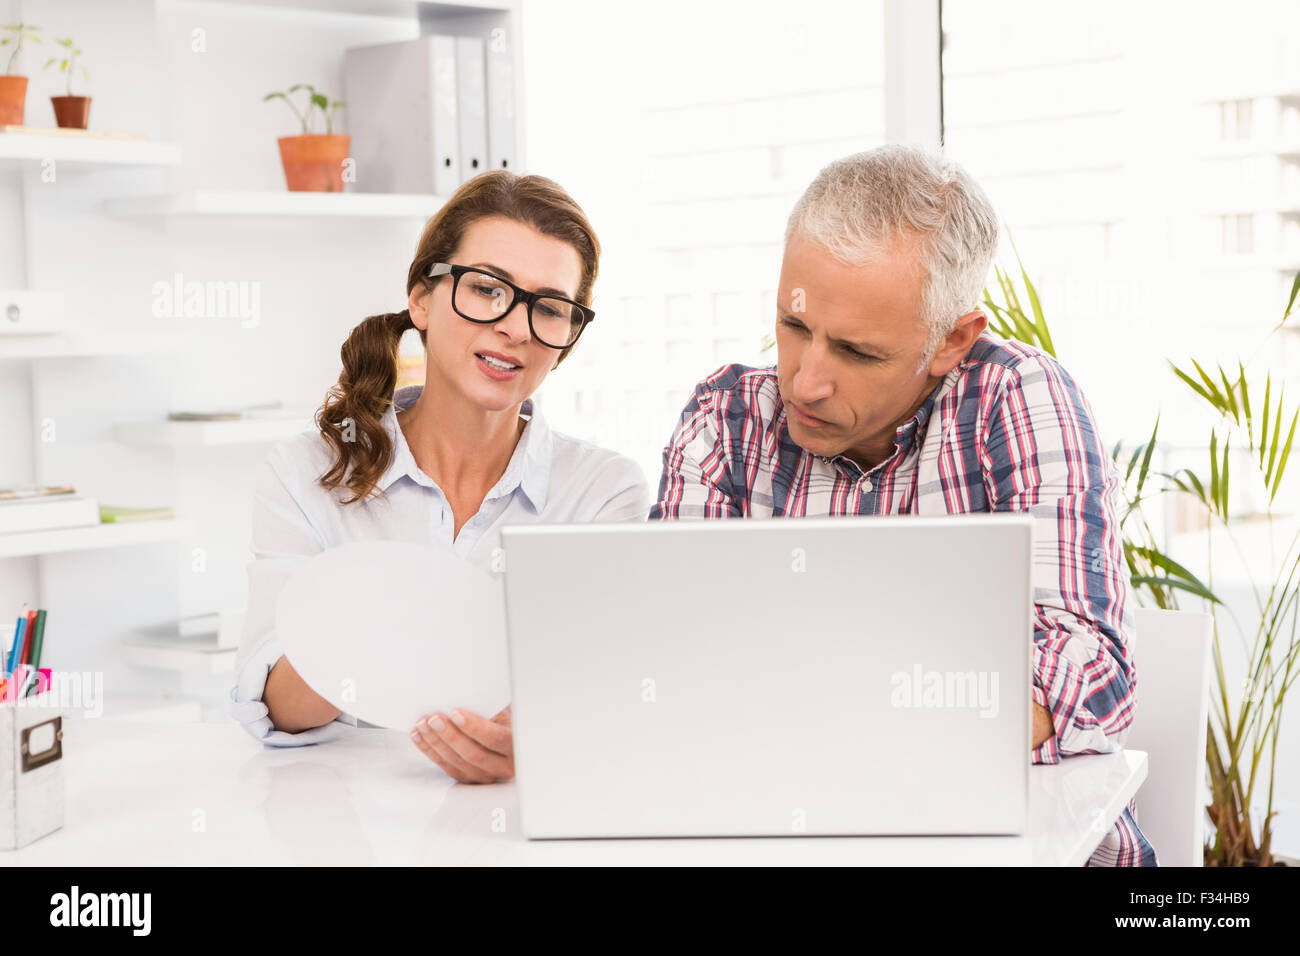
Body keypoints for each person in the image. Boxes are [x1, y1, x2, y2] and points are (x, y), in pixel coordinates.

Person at [649, 145, 1155, 867]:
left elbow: (1091, 677)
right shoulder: (726, 419)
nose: (806, 383)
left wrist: (785, 697)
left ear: (951, 340)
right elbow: (669, 665)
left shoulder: (1017, 398)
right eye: (794, 329)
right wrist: (939, 699)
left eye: (856, 351)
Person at [231, 171, 649, 783]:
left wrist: (533, 741)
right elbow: (276, 706)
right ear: (421, 300)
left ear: (565, 340)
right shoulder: (307, 471)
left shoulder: (602, 491)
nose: (514, 326)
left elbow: (597, 693)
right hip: (338, 821)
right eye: (486, 289)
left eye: (550, 309)